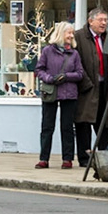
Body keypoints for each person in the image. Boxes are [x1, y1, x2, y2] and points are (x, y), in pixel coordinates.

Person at [33, 22, 86, 169]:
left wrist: (66, 76)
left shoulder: (74, 53)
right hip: (50, 93)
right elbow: (39, 69)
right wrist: (49, 79)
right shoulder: (47, 51)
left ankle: (67, 159)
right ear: (60, 33)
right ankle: (44, 158)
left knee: (67, 127)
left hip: (69, 94)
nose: (71, 36)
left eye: (72, 33)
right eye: (68, 33)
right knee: (47, 126)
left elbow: (80, 74)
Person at [75, 9, 108, 159]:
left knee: (106, 122)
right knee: (84, 122)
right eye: (100, 20)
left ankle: (103, 157)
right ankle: (84, 157)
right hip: (86, 88)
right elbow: (75, 62)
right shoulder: (79, 37)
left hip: (106, 87)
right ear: (90, 21)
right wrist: (85, 82)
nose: (104, 23)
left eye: (106, 20)